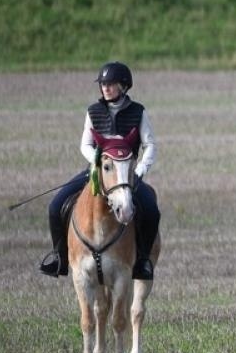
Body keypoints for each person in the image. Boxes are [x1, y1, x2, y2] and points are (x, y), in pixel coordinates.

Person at [38, 62, 161, 280]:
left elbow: (149, 145)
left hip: (126, 175)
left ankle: (142, 261)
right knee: (55, 206)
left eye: (111, 84)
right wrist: (96, 163)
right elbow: (85, 145)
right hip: (97, 172)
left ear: (124, 86)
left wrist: (140, 170)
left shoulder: (138, 112)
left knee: (151, 210)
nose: (105, 87)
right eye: (103, 83)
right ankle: (60, 258)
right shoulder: (93, 111)